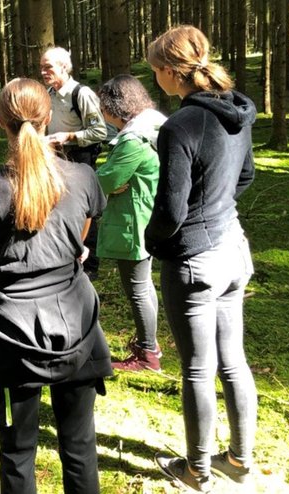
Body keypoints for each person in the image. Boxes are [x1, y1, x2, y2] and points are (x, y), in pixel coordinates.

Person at [0, 78, 111, 494]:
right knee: (80, 445)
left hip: (13, 333)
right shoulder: (82, 176)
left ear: (0, 121)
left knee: (17, 451)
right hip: (76, 323)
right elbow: (80, 237)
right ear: (50, 119)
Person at [147, 26, 258, 492]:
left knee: (197, 367)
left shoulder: (181, 126)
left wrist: (153, 243)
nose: (155, 80)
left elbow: (170, 211)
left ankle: (196, 470)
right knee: (233, 360)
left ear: (173, 72)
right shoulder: (239, 109)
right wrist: (215, 206)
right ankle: (240, 459)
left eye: (155, 71)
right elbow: (246, 176)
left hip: (194, 259)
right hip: (234, 248)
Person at [95, 75, 167, 372]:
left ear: (116, 107)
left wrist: (103, 178)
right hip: (144, 215)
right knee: (143, 284)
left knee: (137, 287)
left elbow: (107, 179)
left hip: (133, 221)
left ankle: (147, 353)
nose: (102, 113)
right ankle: (148, 343)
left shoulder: (133, 140)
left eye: (104, 107)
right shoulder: (151, 125)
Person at [40, 47, 108, 278]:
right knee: (58, 207)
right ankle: (65, 255)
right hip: (55, 157)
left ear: (63, 67)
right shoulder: (48, 94)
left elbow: (100, 131)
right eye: (41, 67)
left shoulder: (82, 93)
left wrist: (70, 137)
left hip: (80, 158)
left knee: (84, 209)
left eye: (48, 66)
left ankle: (90, 266)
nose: (43, 71)